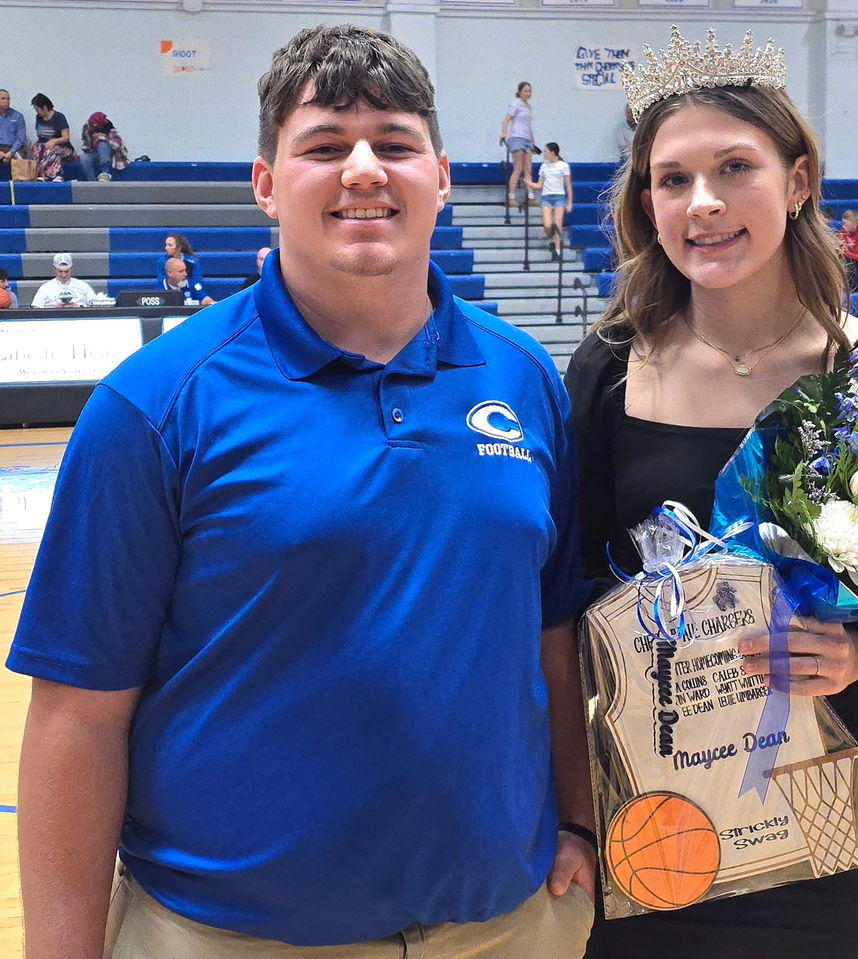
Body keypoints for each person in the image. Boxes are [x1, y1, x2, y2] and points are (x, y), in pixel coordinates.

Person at [10, 22, 596, 959]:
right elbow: (78, 714)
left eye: (395, 145)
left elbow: (552, 635)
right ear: (265, 184)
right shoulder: (155, 405)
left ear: (442, 178)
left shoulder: (525, 378)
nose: (364, 168)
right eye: (324, 146)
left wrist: (579, 819)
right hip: (226, 938)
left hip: (508, 927)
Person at [564, 25, 858, 959]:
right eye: (672, 179)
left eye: (734, 168)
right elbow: (557, 599)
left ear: (798, 182)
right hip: (652, 805)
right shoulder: (606, 372)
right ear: (647, 203)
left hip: (826, 812)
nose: (702, 203)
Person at [528, 142, 573, 260]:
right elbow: (539, 185)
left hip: (559, 197)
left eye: (546, 151)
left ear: (552, 152)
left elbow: (567, 185)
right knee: (547, 225)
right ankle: (552, 238)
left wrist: (569, 202)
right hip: (546, 197)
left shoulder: (563, 166)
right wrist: (527, 182)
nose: (544, 154)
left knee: (558, 224)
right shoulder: (544, 166)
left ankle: (557, 251)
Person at [501, 81, 536, 204]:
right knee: (518, 168)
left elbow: (528, 125)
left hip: (527, 139)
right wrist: (504, 133)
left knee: (528, 169)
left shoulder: (528, 106)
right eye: (525, 91)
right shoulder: (515, 104)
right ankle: (511, 197)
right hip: (517, 137)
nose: (528, 93)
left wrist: (533, 141)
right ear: (520, 91)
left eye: (529, 91)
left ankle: (530, 196)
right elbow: (507, 120)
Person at [29, 93, 73, 182]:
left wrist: (54, 141)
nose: (37, 112)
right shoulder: (38, 118)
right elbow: (41, 136)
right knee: (38, 150)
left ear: (44, 107)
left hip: (62, 147)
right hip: (45, 145)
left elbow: (66, 137)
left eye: (37, 109)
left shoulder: (58, 117)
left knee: (51, 151)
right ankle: (41, 175)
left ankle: (56, 175)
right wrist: (35, 144)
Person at [30, 252, 96, 307]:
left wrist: (80, 307)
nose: (63, 275)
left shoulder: (83, 286)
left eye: (66, 271)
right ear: (55, 269)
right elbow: (36, 307)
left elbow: (96, 306)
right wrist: (53, 309)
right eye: (60, 271)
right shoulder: (45, 288)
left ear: (71, 269)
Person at [79, 111, 129, 182]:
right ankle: (93, 182)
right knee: (84, 158)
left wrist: (102, 137)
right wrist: (93, 141)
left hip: (109, 155)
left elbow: (118, 146)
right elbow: (86, 148)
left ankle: (105, 172)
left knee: (103, 145)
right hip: (95, 153)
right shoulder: (87, 128)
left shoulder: (109, 128)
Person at [0, 88, 27, 182]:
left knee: (19, 158)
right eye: (3, 99)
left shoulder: (18, 116)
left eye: (8, 99)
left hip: (14, 148)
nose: (6, 101)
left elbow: (21, 138)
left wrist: (10, 153)